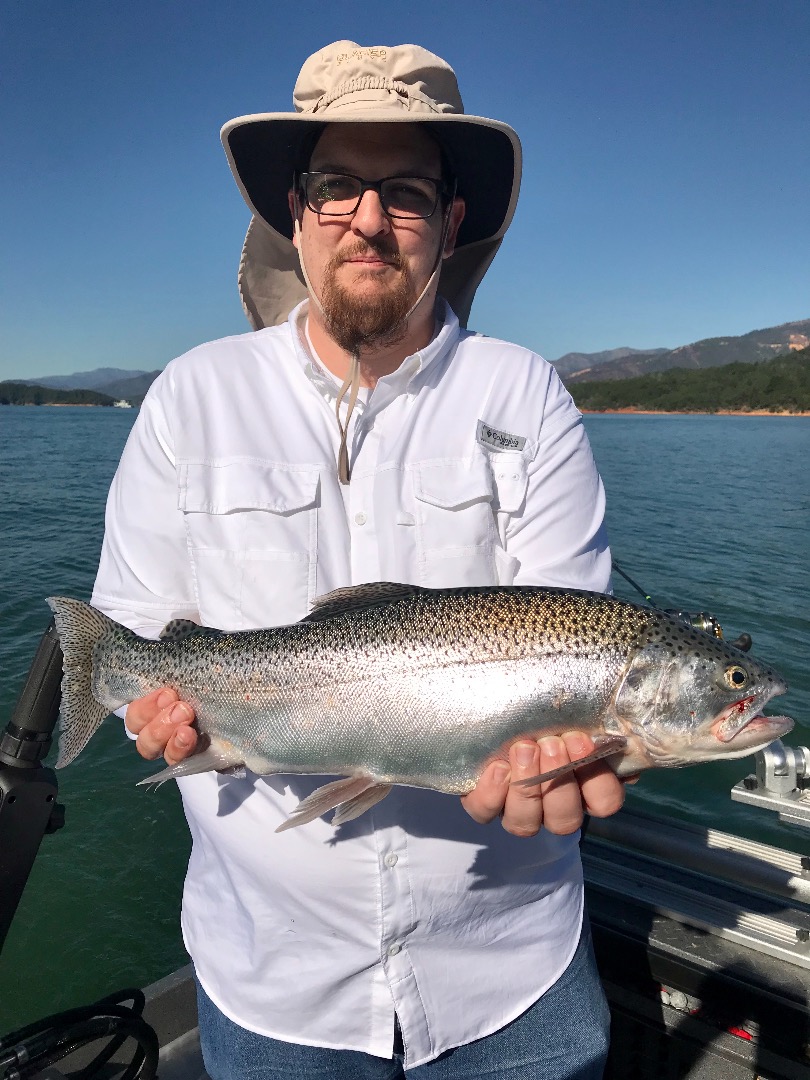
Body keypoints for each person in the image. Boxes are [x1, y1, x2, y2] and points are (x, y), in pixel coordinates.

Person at [92, 41, 626, 1079]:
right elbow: (140, 631)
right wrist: (142, 705)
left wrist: (572, 751)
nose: (369, 221)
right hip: (271, 973)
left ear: (454, 220)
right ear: (295, 211)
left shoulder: (528, 398)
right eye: (338, 187)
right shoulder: (192, 395)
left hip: (510, 966)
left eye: (408, 194)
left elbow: (571, 649)